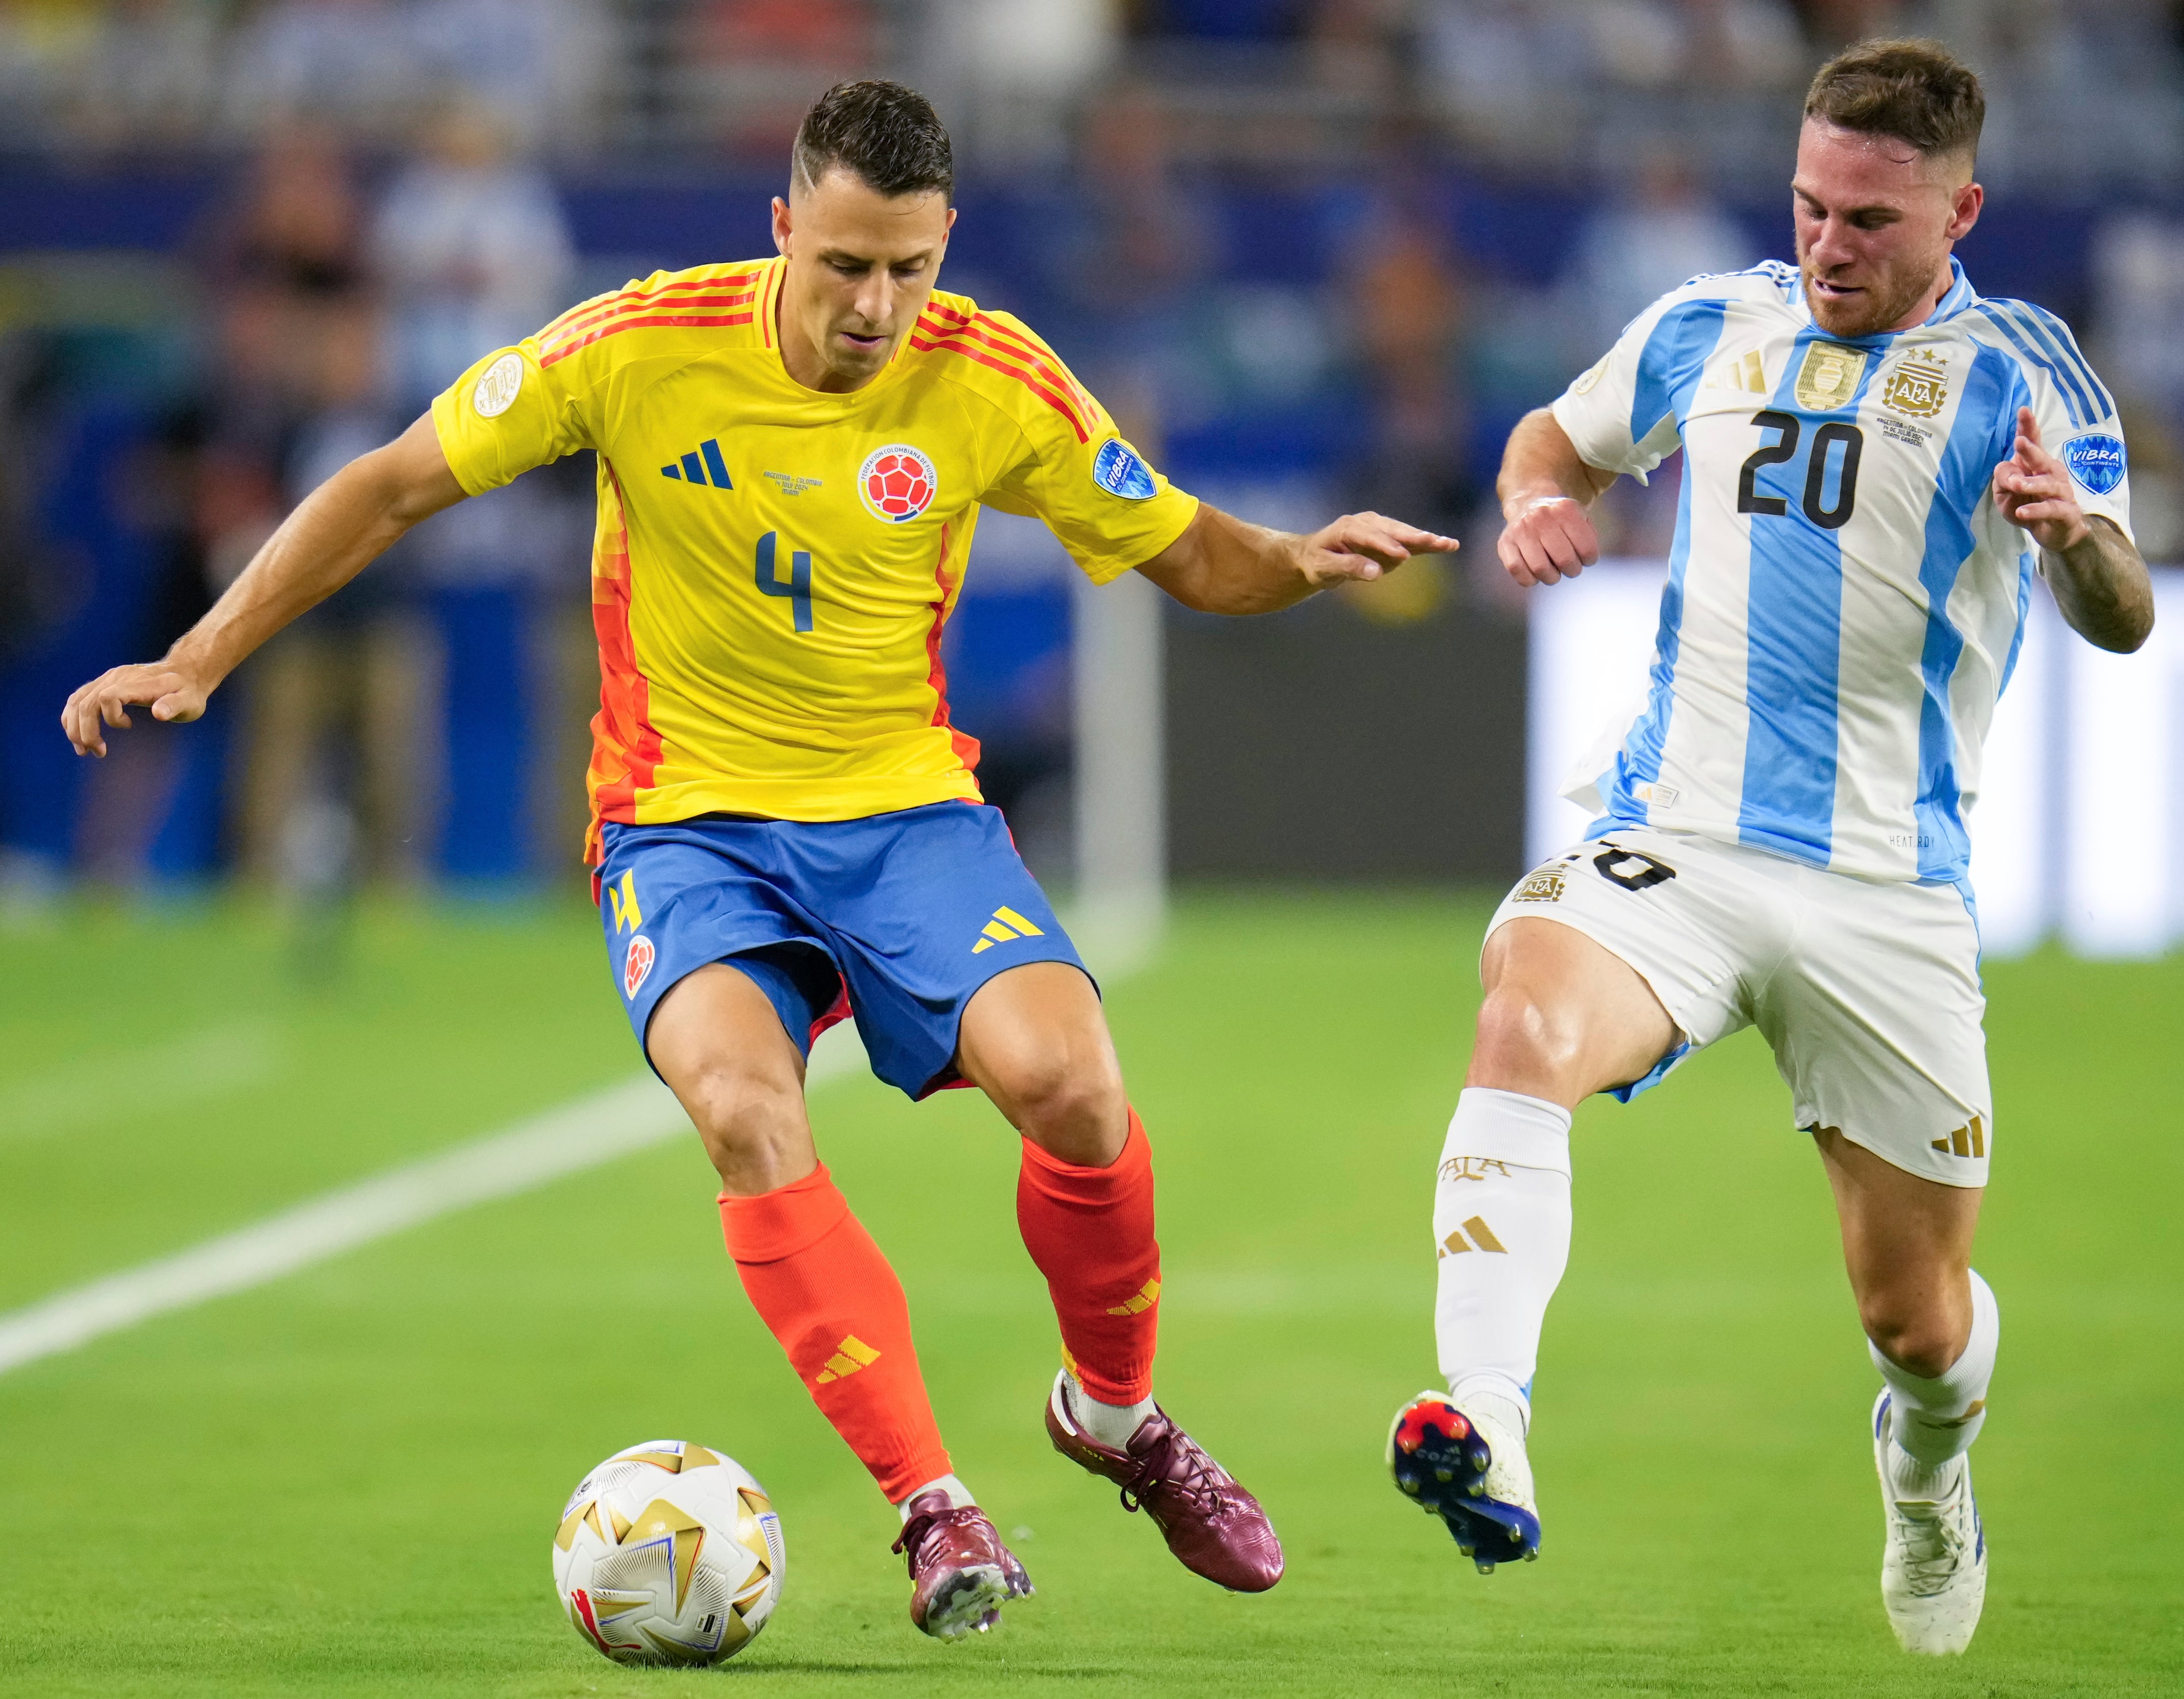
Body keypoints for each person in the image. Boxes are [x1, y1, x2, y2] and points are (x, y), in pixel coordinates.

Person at [64, 79, 1457, 1645]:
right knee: (743, 1104)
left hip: (908, 817)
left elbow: (1188, 550)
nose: (876, 307)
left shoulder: (996, 381)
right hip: (687, 831)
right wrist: (197, 654)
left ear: (946, 248)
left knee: (1075, 1089)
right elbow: (392, 481)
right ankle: (934, 1510)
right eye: (846, 264)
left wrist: (1297, 561)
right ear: (785, 226)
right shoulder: (632, 348)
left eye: (909, 270)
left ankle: (1117, 1421)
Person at [1384, 39, 2150, 1658]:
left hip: (1888, 890)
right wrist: (1535, 500)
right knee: (1521, 1015)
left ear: (1962, 211)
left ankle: (1930, 1472)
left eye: (1870, 220)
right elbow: (1551, 434)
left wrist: (2076, 536)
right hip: (1683, 842)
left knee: (1916, 1323)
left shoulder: (2028, 372)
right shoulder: (1704, 326)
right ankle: (1490, 1427)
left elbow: (2125, 616)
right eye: (1809, 207)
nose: (1828, 247)